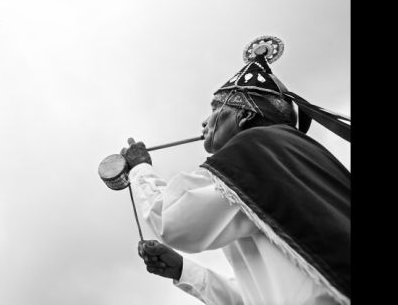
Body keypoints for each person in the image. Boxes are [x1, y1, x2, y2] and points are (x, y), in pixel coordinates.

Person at [120, 36, 350, 305]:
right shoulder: (306, 158)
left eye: (217, 107)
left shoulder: (256, 149)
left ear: (245, 115)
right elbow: (262, 296)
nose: (205, 121)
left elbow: (172, 221)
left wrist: (139, 170)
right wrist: (184, 271)